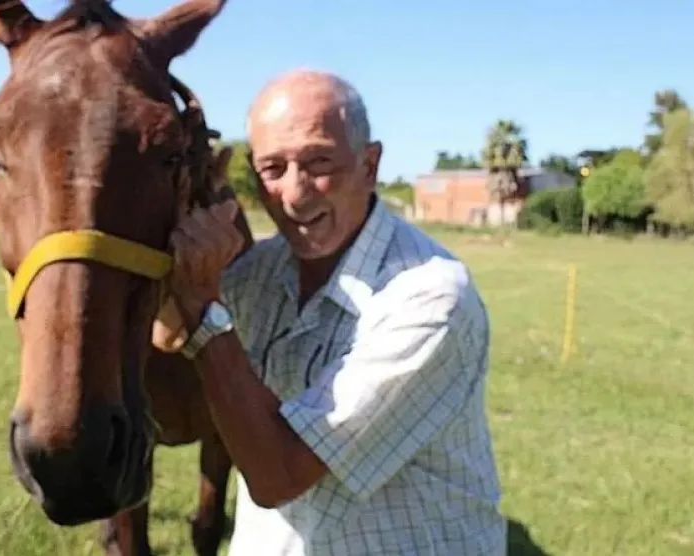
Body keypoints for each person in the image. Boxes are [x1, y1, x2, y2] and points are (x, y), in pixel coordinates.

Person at [167, 69, 506, 555]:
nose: (295, 192)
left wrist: (204, 307)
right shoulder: (263, 269)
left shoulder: (429, 296)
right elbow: (166, 329)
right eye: (272, 168)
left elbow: (278, 475)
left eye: (319, 162)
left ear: (370, 166)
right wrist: (174, 203)